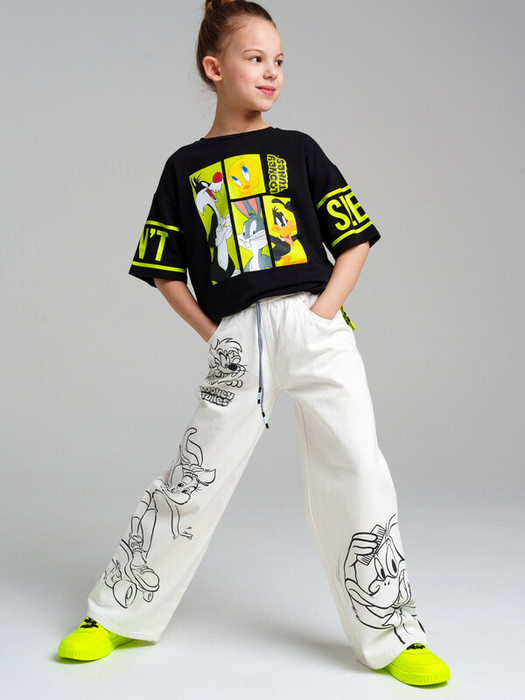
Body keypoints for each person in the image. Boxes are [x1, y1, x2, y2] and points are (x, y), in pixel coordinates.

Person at [58, 0, 450, 687]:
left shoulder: (298, 150)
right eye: (255, 58)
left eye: (279, 61)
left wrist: (323, 312)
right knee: (194, 475)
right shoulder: (184, 167)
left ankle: (393, 635)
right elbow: (164, 271)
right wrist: (218, 336)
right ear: (215, 68)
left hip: (316, 327)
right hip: (239, 339)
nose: (271, 72)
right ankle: (118, 614)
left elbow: (354, 239)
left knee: (358, 469)